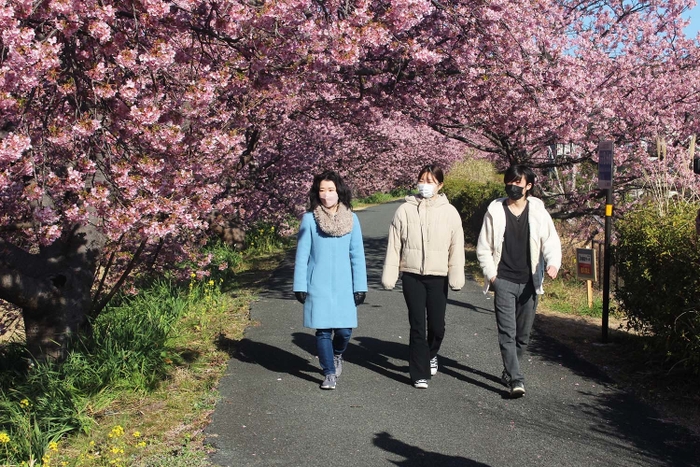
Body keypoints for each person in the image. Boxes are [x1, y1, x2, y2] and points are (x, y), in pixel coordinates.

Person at [476, 164, 562, 398]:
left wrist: (553, 263)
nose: (512, 187)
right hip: (503, 280)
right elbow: (483, 247)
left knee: (523, 336)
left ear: (529, 186)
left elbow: (551, 241)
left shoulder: (538, 212)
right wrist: (492, 275)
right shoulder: (495, 211)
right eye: (509, 182)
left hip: (529, 282)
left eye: (517, 183)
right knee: (507, 332)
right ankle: (516, 378)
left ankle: (509, 369)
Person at [382, 164, 465, 389]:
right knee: (417, 324)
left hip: (439, 276)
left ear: (440, 185)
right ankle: (419, 372)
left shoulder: (450, 212)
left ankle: (431, 353)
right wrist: (390, 274)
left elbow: (456, 246)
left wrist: (457, 276)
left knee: (437, 326)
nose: (425, 185)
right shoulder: (404, 210)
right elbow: (394, 245)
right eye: (422, 180)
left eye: (430, 181)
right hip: (412, 275)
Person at [293, 170, 368, 390]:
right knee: (323, 330)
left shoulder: (352, 219)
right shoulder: (309, 219)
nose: (327, 194)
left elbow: (357, 255)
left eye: (331, 189)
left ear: (339, 191)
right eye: (322, 190)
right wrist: (300, 285)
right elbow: (302, 254)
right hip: (318, 283)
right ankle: (328, 373)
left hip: (345, 284)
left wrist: (360, 286)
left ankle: (337, 354)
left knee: (344, 331)